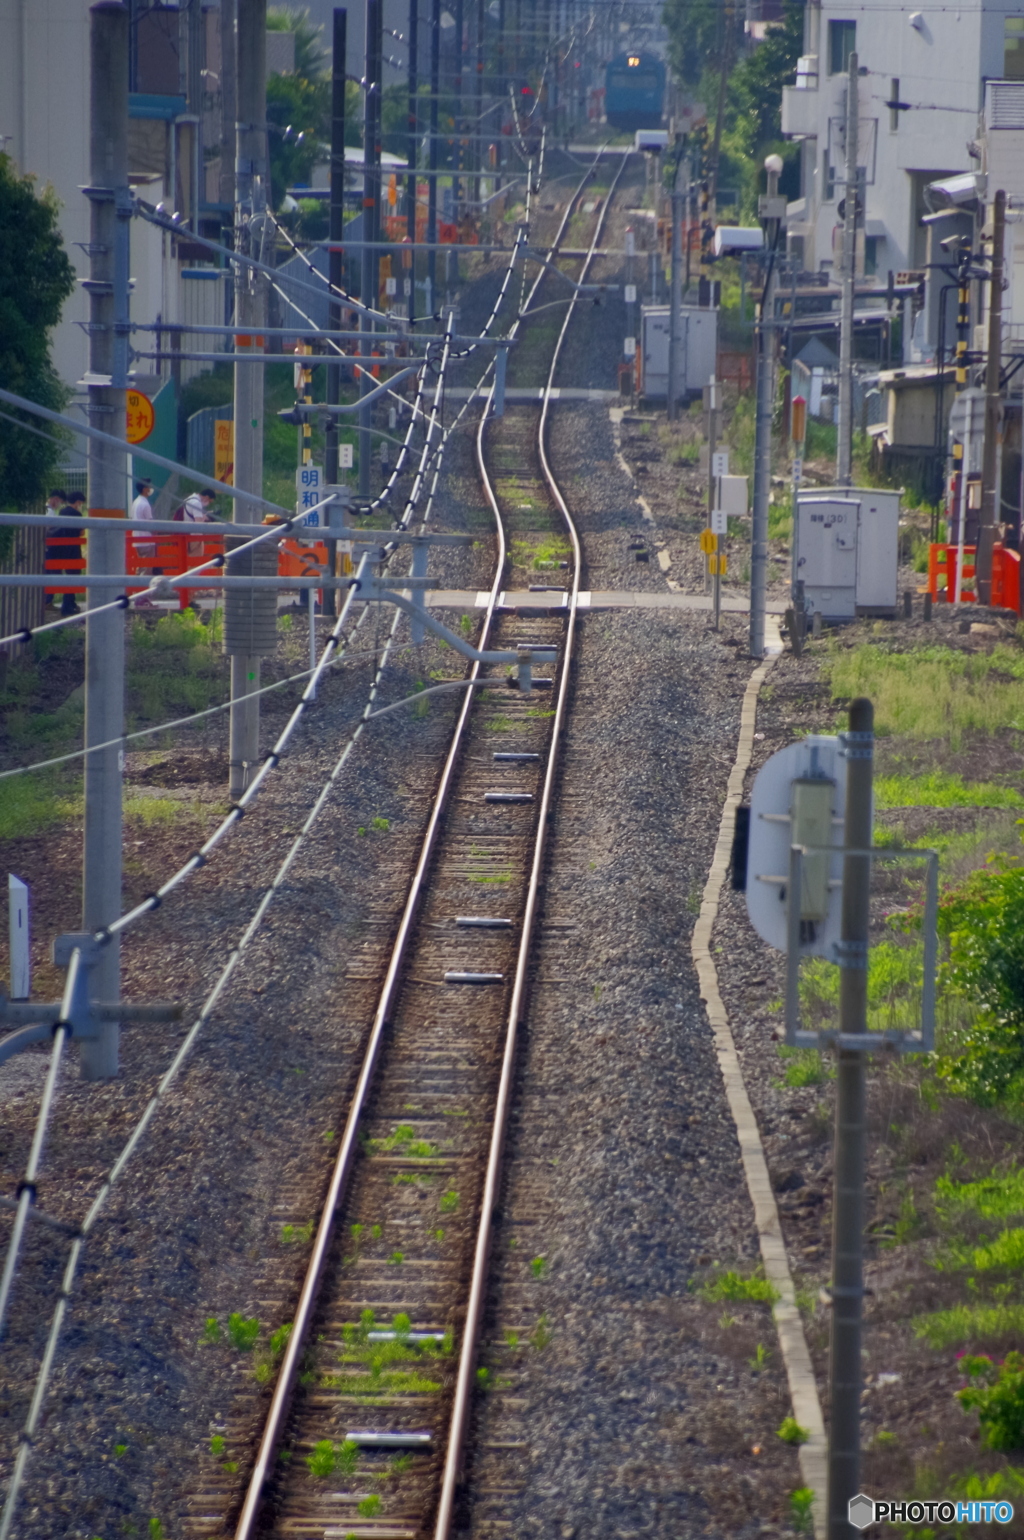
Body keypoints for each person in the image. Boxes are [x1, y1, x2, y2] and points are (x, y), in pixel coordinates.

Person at [47, 492, 85, 616]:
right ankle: (68, 605)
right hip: (73, 549)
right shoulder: (78, 515)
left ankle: (68, 603)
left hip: (61, 549)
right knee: (73, 577)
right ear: (78, 502)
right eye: (81, 503)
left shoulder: (62, 512)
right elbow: (81, 532)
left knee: (66, 577)